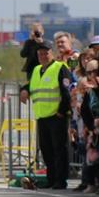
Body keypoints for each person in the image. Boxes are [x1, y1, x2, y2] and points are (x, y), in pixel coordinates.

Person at [20, 40, 71, 189]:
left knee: (59, 149)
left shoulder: (60, 68)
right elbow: (31, 85)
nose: (43, 56)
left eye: (46, 53)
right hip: (42, 116)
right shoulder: (37, 70)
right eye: (40, 54)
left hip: (56, 116)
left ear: (52, 53)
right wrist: (24, 90)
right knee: (46, 150)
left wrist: (62, 112)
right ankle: (51, 178)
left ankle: (60, 180)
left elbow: (66, 92)